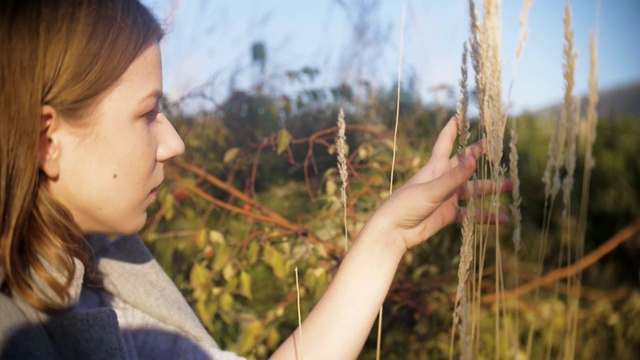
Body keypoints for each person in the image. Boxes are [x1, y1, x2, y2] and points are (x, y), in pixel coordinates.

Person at [0, 0, 509, 358]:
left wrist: (388, 236)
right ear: (49, 140)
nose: (174, 143)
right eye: (148, 113)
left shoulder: (108, 283)